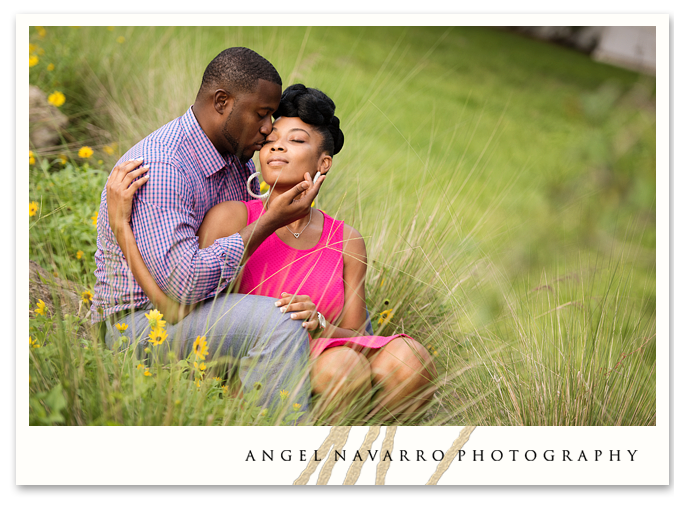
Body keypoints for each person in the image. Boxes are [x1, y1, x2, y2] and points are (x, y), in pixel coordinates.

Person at [107, 84, 437, 423]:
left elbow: (358, 334)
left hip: (327, 350)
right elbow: (200, 318)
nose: (277, 145)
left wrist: (320, 324)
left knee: (410, 359)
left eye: (296, 140)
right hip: (255, 365)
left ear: (324, 162)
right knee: (344, 368)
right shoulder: (232, 217)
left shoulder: (347, 240)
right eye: (271, 139)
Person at [92, 48, 322, 412]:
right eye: (261, 115)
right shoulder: (163, 166)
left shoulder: (237, 160)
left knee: (310, 312)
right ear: (221, 101)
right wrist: (268, 221)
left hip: (201, 312)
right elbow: (181, 288)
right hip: (139, 326)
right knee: (280, 324)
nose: (267, 130)